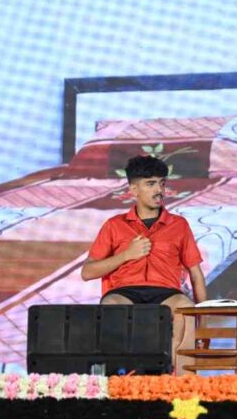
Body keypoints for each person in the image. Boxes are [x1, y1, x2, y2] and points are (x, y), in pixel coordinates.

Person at [81, 155, 207, 374]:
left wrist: (203, 325)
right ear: (133, 189)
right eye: (150, 184)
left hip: (167, 292)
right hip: (125, 292)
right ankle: (119, 382)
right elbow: (87, 272)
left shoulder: (179, 225)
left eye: (162, 183)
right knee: (111, 306)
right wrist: (126, 255)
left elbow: (196, 274)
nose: (159, 190)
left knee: (185, 308)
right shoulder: (114, 225)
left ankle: (184, 383)